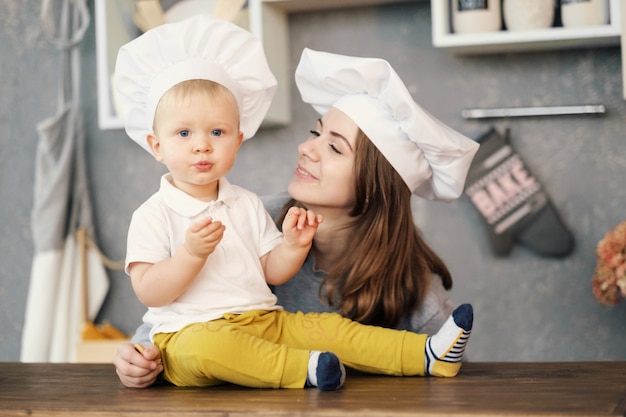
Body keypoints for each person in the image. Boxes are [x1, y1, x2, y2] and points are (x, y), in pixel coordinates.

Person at [113, 19, 479, 389]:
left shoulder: (249, 208)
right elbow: (161, 317)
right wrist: (137, 356)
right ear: (157, 145)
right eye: (315, 133)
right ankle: (304, 368)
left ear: (373, 188)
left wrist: (291, 245)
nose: (306, 148)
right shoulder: (263, 213)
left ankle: (425, 354)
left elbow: (271, 269)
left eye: (334, 146)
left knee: (329, 328)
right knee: (206, 344)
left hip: (265, 323)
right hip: (196, 344)